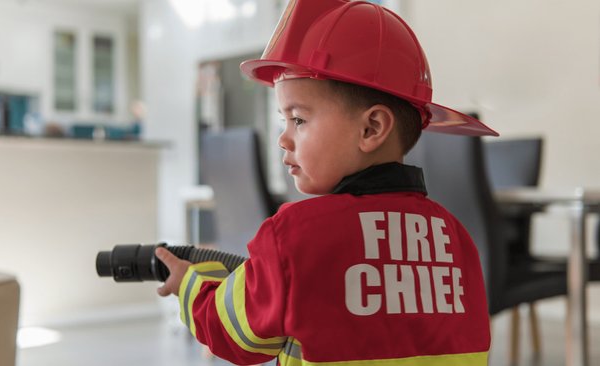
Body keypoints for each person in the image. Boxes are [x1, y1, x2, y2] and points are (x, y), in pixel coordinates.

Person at [156, 0, 497, 365]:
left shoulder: (294, 234)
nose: (283, 139)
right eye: (283, 121)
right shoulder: (456, 239)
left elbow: (233, 333)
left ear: (372, 128)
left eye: (298, 120)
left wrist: (189, 285)